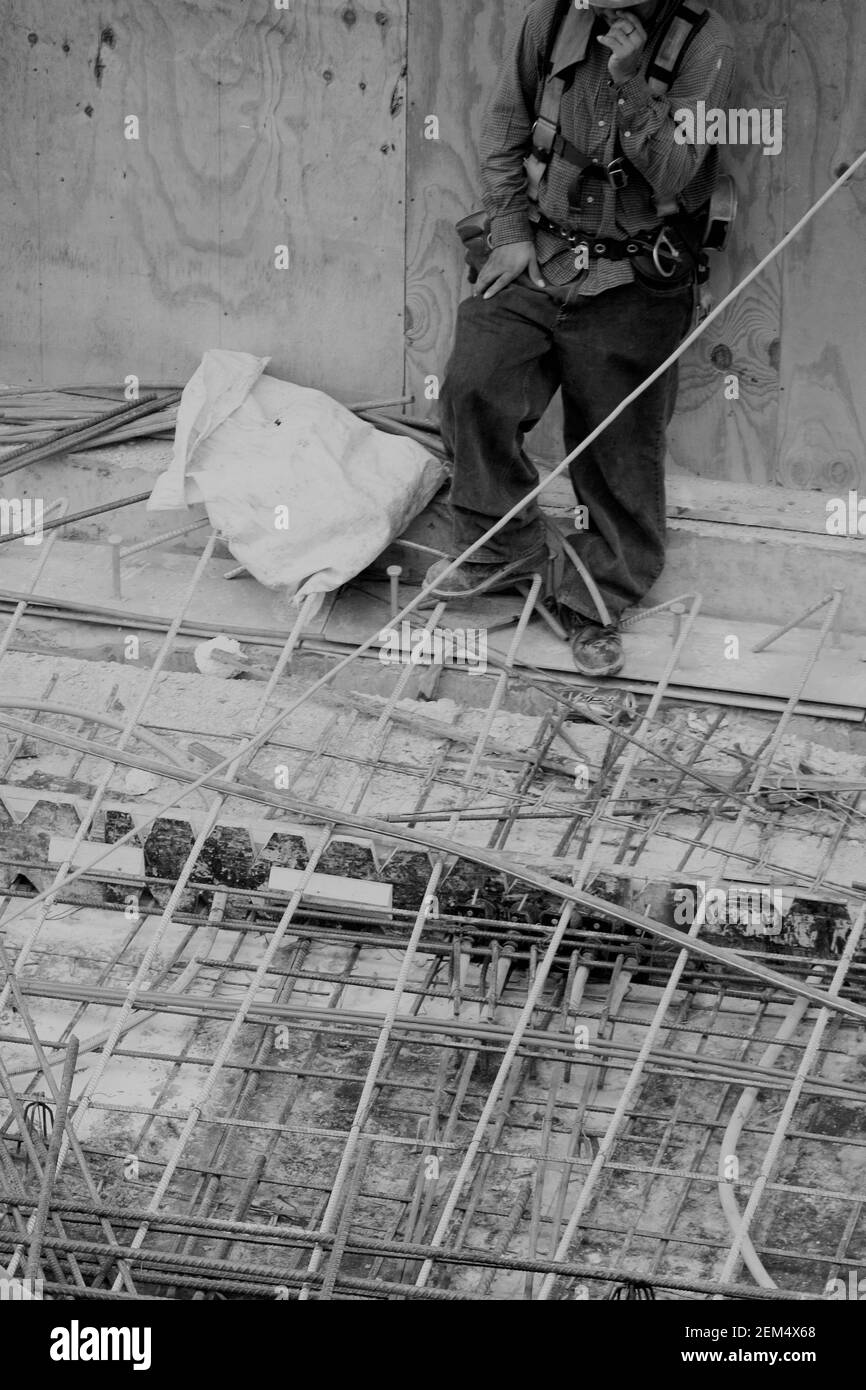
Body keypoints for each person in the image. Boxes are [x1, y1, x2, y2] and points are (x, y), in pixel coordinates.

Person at [425, 0, 735, 676]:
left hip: (634, 274)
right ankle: (500, 553)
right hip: (541, 255)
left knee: (618, 452)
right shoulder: (553, 16)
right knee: (475, 384)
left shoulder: (702, 44)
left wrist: (629, 82)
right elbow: (506, 124)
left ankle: (596, 600)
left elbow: (681, 173)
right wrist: (507, 232)